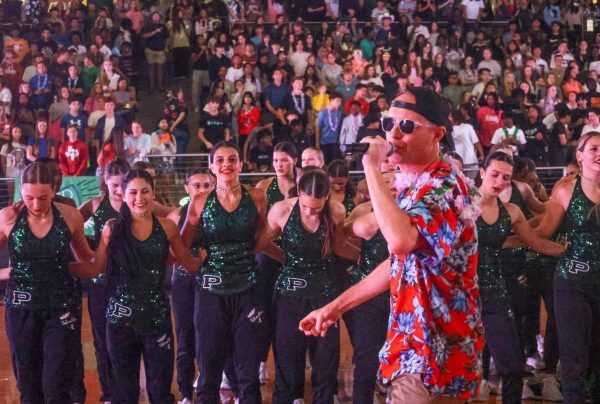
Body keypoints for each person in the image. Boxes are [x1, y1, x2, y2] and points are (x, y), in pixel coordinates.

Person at [299, 87, 484, 402]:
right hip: (414, 345)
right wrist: (334, 309)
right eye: (389, 124)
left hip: (437, 352)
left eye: (407, 126)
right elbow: (400, 264)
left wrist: (370, 167)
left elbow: (399, 242)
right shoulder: (411, 186)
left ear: (438, 134)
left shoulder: (444, 188)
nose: (393, 134)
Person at [74, 169, 204, 403]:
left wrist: (202, 259)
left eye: (145, 191)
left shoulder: (167, 227)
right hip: (119, 321)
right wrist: (61, 267)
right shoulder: (112, 228)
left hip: (157, 320)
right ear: (123, 195)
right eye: (133, 192)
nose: (139, 198)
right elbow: (96, 268)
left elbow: (187, 263)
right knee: (124, 392)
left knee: (160, 390)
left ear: (153, 193)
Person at [181, 141, 270, 403]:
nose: (226, 165)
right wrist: (195, 263)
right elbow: (184, 244)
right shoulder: (199, 200)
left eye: (232, 159)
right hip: (210, 291)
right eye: (219, 160)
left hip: (247, 289)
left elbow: (261, 238)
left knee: (248, 368)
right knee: (209, 367)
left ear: (240, 164)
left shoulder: (257, 197)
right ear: (211, 167)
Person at [0, 162, 97, 403]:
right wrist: (10, 272)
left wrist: (107, 249)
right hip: (21, 309)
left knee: (57, 386)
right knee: (29, 388)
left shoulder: (70, 215)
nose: (35, 204)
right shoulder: (8, 217)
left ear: (54, 190)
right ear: (20, 189)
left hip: (61, 308)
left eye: (42, 198)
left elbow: (88, 262)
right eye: (29, 197)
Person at [475, 151, 565, 403]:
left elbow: (536, 243)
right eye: (494, 174)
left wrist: (570, 251)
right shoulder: (462, 203)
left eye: (506, 177)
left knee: (513, 365)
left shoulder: (512, 211)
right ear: (482, 173)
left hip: (495, 290)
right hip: (461, 292)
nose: (500, 181)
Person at [257, 170, 348, 403]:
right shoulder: (282, 210)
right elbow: (261, 244)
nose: (311, 211)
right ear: (298, 193)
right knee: (288, 361)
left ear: (328, 197)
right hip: (290, 294)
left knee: (326, 363)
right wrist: (285, 258)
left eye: (317, 208)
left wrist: (370, 262)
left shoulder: (337, 211)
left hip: (325, 294)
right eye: (306, 206)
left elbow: (339, 248)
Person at [534, 131, 600, 404]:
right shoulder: (564, 190)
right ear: (580, 155)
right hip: (572, 283)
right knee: (574, 360)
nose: (599, 154)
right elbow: (541, 236)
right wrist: (563, 251)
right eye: (594, 148)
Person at [78, 159, 131, 404]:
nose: (120, 191)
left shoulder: (138, 202)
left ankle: (126, 390)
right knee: (101, 340)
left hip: (131, 282)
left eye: (123, 184)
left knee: (128, 340)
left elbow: (170, 215)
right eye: (114, 185)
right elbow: (67, 222)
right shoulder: (96, 204)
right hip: (101, 283)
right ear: (105, 184)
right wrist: (87, 254)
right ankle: (108, 393)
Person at [342, 172, 395, 403]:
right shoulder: (364, 211)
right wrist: (361, 258)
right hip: (369, 293)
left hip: (404, 295)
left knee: (404, 357)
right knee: (365, 357)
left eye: (395, 179)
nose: (391, 185)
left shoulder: (414, 209)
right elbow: (339, 238)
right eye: (386, 181)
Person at [167, 169, 215, 404]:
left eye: (207, 185)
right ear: (187, 189)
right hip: (184, 283)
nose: (202, 190)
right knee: (185, 337)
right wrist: (191, 260)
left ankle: (209, 389)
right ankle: (185, 393)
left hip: (214, 283)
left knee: (211, 337)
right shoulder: (176, 216)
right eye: (196, 186)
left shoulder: (221, 214)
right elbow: (170, 254)